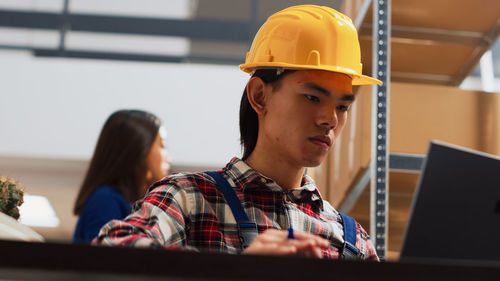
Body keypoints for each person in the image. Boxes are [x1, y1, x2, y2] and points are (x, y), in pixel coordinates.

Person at [94, 5, 381, 260]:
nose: (330, 119)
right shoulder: (190, 199)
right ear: (260, 96)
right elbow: (111, 249)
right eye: (312, 98)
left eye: (342, 106)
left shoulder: (352, 241)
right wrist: (235, 271)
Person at [73, 109, 170, 243]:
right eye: (162, 145)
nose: (168, 158)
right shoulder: (105, 200)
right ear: (138, 150)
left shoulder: (137, 205)